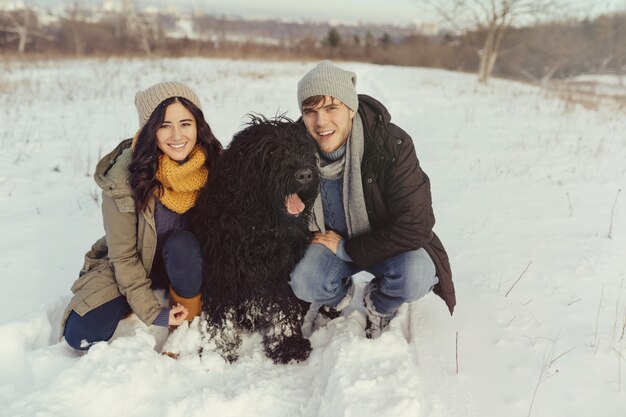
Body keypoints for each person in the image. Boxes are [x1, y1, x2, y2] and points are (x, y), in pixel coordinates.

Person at [289, 61, 455, 338]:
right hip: (328, 247)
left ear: (351, 108)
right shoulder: (291, 150)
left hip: (386, 246)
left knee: (416, 276)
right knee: (304, 280)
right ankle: (336, 299)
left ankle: (379, 303)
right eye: (310, 112)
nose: (321, 122)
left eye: (332, 108)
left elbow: (416, 225)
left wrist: (348, 248)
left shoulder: (391, 144)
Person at [61, 81, 222, 351]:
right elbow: (122, 256)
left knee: (183, 243)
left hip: (187, 264)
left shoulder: (215, 166)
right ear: (150, 130)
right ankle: (129, 300)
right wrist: (152, 311)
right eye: (164, 125)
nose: (177, 135)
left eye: (185, 123)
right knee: (82, 334)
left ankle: (186, 319)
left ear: (198, 126)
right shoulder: (123, 178)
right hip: (134, 265)